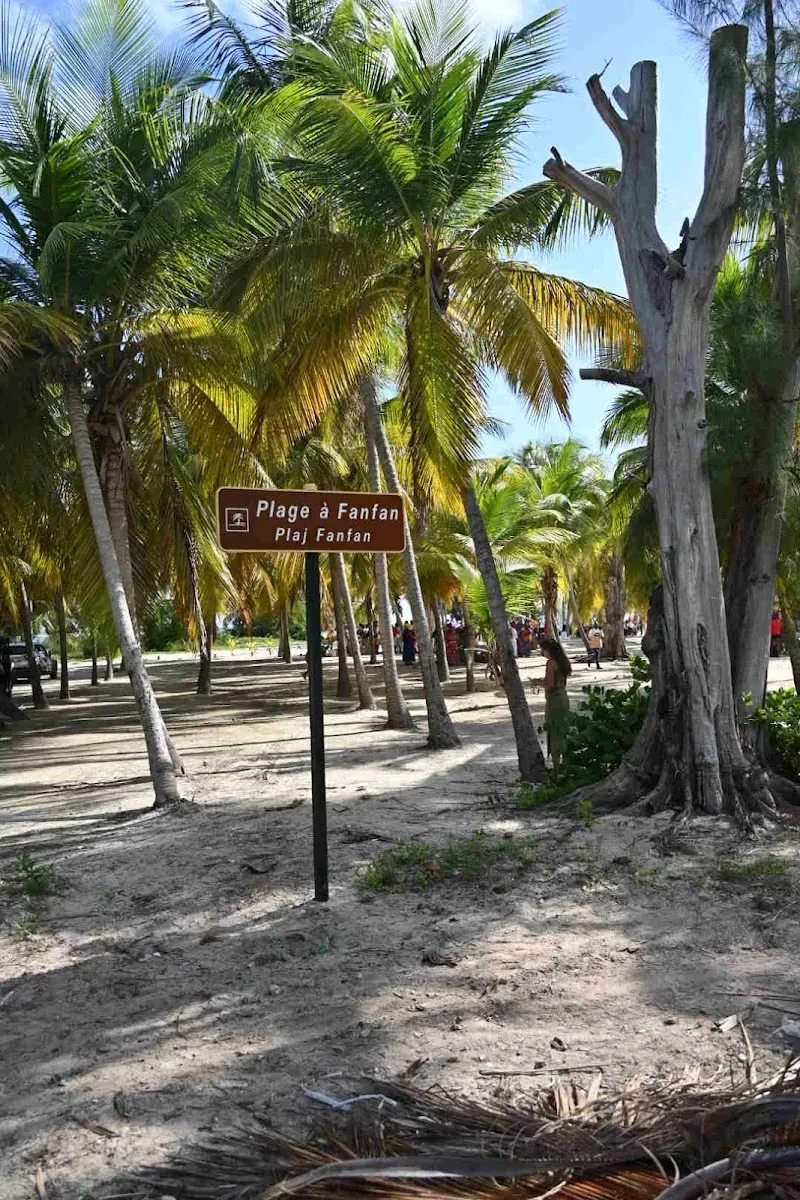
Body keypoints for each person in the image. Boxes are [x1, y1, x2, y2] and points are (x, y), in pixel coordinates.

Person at [531, 635, 572, 769]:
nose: (542, 653)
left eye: (543, 650)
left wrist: (537, 682)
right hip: (563, 698)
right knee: (562, 731)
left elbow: (549, 685)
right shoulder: (562, 662)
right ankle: (565, 761)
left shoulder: (551, 663)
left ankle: (556, 764)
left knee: (554, 732)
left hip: (554, 701)